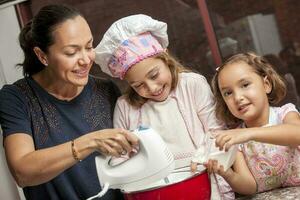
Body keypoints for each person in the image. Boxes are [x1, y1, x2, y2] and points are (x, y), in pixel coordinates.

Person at [0, 4, 139, 200]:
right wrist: (91, 141)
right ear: (42, 55)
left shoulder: (106, 90)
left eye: (89, 47)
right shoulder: (18, 98)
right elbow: (23, 172)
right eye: (72, 52)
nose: (85, 60)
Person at [94, 14, 234, 200]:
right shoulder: (125, 107)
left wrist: (202, 158)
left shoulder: (192, 85)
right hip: (156, 193)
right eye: (138, 85)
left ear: (165, 57)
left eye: (154, 75)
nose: (152, 88)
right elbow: (121, 156)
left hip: (205, 184)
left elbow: (216, 131)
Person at [208, 52, 300, 195]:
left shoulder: (285, 114)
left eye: (245, 85)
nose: (238, 97)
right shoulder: (236, 139)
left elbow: (297, 134)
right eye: (228, 93)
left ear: (266, 85)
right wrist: (228, 174)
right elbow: (250, 187)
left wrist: (249, 133)